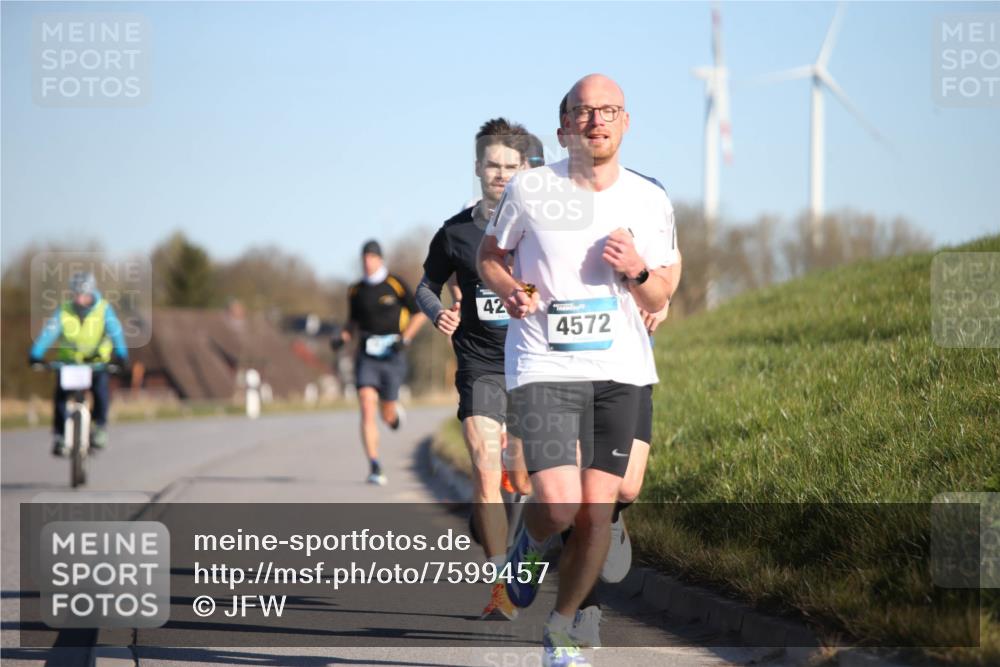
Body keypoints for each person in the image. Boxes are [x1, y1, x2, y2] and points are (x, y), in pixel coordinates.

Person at [478, 74, 680, 667]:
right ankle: (529, 543)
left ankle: (563, 628)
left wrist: (641, 273)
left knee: (599, 507)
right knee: (561, 505)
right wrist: (511, 287)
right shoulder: (531, 190)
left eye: (608, 110)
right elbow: (492, 257)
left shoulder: (649, 199)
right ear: (564, 125)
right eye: (583, 112)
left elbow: (664, 285)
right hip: (543, 363)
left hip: (619, 369)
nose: (596, 120)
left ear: (625, 121)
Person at [417, 118, 537, 620]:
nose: (502, 174)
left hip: (532, 363)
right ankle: (499, 586)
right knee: (486, 469)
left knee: (525, 481)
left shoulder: (541, 226)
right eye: (493, 165)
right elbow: (424, 285)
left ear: (525, 168)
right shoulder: (456, 232)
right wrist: (436, 310)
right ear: (477, 167)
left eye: (511, 165)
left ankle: (520, 549)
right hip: (480, 365)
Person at [342, 240, 427, 485]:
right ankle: (375, 465)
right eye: (364, 258)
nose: (368, 262)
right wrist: (343, 337)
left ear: (380, 259)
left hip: (392, 354)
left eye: (372, 257)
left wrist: (406, 339)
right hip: (367, 355)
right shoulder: (355, 290)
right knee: (367, 406)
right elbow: (352, 324)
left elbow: (419, 313)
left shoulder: (395, 284)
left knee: (386, 414)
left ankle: (392, 413)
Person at [29, 271, 129, 456]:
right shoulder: (64, 310)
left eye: (83, 294)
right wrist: (36, 354)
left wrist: (121, 355)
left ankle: (99, 427)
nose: (79, 299)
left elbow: (116, 333)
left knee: (100, 392)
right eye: (76, 294)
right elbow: (49, 333)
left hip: (97, 363)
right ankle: (59, 435)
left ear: (92, 293)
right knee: (60, 395)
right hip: (69, 363)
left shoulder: (103, 309)